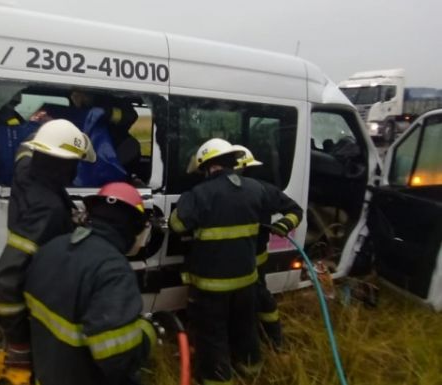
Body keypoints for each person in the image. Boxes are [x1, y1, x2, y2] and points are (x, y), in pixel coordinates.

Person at [24, 182, 156, 385]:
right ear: (133, 227)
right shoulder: (113, 270)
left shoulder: (51, 247)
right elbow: (119, 358)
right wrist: (147, 334)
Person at [0, 119, 96, 369]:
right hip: (38, 293)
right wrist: (18, 342)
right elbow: (3, 280)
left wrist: (45, 128)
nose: (76, 170)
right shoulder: (48, 210)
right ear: (65, 165)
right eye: (75, 162)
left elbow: (25, 149)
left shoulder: (27, 168)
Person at [169, 138, 264, 384]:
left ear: (209, 167)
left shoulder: (200, 193)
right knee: (245, 329)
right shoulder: (254, 188)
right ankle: (252, 372)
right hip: (247, 280)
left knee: (213, 336)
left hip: (212, 285)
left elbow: (178, 225)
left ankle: (218, 379)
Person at [232, 144, 303, 351]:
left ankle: (273, 340)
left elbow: (294, 210)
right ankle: (270, 339)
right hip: (248, 258)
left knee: (258, 298)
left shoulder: (262, 189)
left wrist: (283, 225)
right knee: (257, 298)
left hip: (252, 259)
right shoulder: (260, 188)